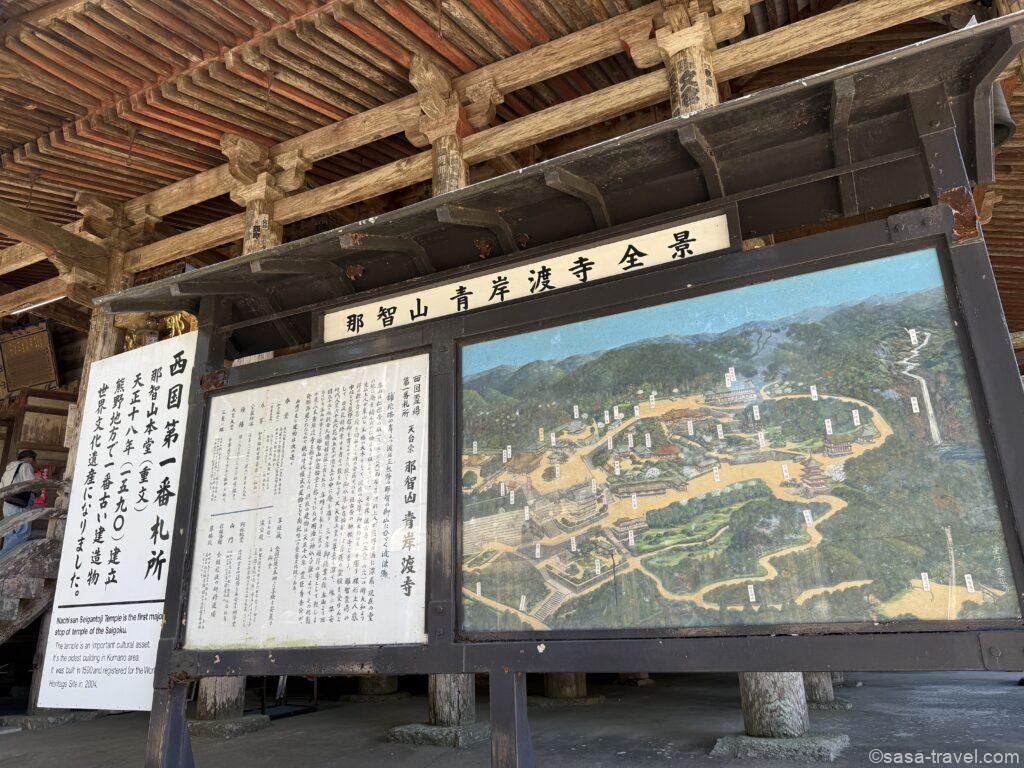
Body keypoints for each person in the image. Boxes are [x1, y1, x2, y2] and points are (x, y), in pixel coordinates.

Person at [1, 450, 39, 555]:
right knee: (22, 534)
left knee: (10, 534)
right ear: (30, 459)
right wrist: (38, 490)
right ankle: (2, 558)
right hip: (20, 505)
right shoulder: (26, 466)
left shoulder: (9, 468)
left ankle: (7, 562)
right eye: (35, 460)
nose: (35, 463)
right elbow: (32, 485)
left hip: (7, 504)